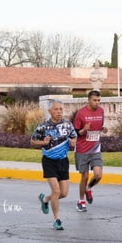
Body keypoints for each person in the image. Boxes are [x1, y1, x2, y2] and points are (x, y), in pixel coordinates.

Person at [31, 100, 77, 230]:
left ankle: (45, 199)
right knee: (56, 191)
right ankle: (57, 219)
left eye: (61, 109)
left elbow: (74, 137)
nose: (59, 112)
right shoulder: (43, 127)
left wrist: (73, 142)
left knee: (63, 193)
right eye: (56, 109)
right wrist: (43, 142)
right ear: (50, 111)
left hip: (63, 161)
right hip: (49, 161)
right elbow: (32, 141)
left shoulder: (68, 125)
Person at [73, 90, 108, 212]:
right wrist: (84, 130)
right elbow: (75, 132)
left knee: (98, 175)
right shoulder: (81, 113)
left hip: (95, 148)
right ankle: (81, 200)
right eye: (95, 100)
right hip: (82, 149)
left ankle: (88, 188)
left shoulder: (101, 111)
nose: (97, 103)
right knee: (85, 176)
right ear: (89, 100)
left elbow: (99, 126)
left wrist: (103, 129)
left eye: (99, 100)